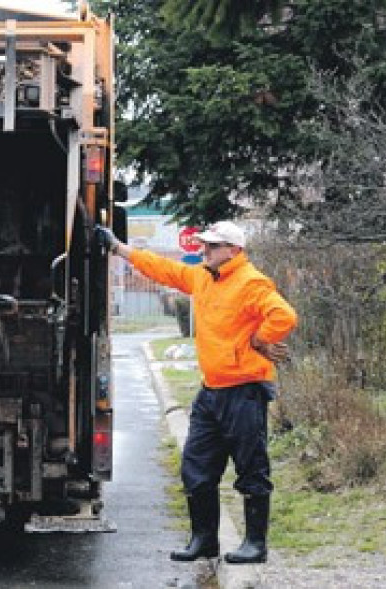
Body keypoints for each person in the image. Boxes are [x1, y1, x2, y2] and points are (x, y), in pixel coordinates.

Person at [98, 220, 297, 564]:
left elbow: (284, 315)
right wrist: (120, 248)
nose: (205, 250)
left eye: (213, 246)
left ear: (234, 250)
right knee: (196, 467)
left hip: (245, 391)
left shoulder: (251, 282)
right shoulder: (203, 276)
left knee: (251, 469)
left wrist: (260, 339)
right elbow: (165, 269)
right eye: (204, 245)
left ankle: (255, 544)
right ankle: (204, 540)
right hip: (212, 391)